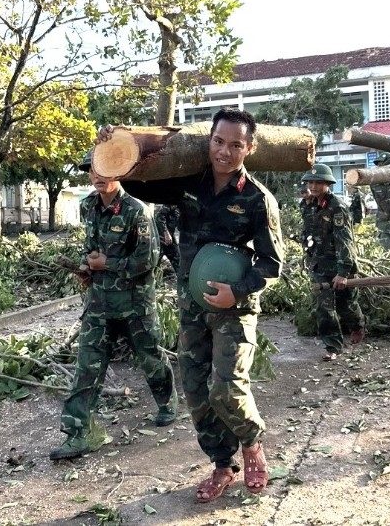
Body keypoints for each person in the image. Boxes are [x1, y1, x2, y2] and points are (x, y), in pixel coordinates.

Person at [102, 108, 284, 502]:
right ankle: (223, 465)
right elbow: (143, 188)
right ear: (209, 141)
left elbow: (272, 264)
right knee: (195, 393)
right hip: (192, 307)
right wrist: (116, 147)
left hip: (234, 309)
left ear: (249, 148)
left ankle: (251, 443)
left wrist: (237, 291)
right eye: (219, 141)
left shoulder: (257, 200)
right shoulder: (189, 183)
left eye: (236, 144)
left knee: (227, 388)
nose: (225, 151)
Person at [49, 149, 178, 461]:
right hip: (99, 304)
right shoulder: (89, 206)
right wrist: (86, 268)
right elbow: (91, 249)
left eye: (104, 169)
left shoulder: (137, 210)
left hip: (135, 304)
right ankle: (79, 433)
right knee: (86, 367)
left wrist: (108, 263)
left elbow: (148, 260)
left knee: (149, 357)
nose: (98, 176)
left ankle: (167, 402)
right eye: (92, 170)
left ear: (118, 171)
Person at [301, 164, 366, 361]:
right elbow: (308, 232)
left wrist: (343, 272)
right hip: (320, 264)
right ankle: (333, 346)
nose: (313, 185)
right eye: (310, 182)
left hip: (340, 264)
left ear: (328, 183)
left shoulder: (337, 207)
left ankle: (358, 325)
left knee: (347, 305)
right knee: (325, 308)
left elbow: (344, 240)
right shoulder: (307, 205)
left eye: (318, 182)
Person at [154, 204, 180, 273]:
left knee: (177, 258)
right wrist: (166, 233)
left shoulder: (184, 204)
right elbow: (159, 217)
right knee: (155, 261)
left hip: (170, 236)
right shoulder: (171, 203)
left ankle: (181, 280)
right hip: (160, 236)